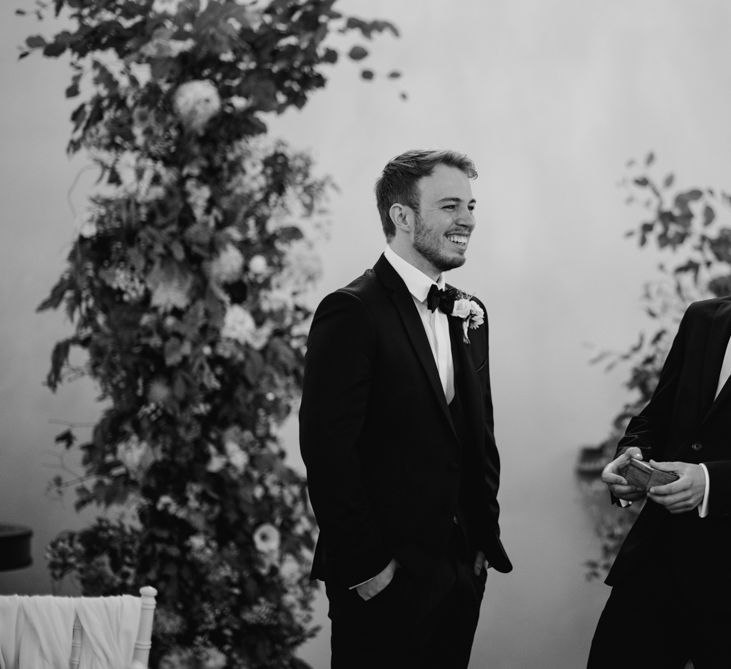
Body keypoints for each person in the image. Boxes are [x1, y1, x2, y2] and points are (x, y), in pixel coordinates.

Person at [299, 149, 512, 668]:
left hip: (460, 571)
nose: (468, 220)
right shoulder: (351, 311)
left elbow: (477, 433)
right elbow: (328, 454)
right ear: (402, 216)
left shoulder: (471, 312)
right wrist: (368, 567)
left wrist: (480, 544)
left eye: (471, 205)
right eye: (450, 206)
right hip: (382, 576)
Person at [588, 296, 731, 668]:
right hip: (656, 564)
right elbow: (658, 415)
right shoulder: (704, 317)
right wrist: (632, 454)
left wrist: (711, 480)